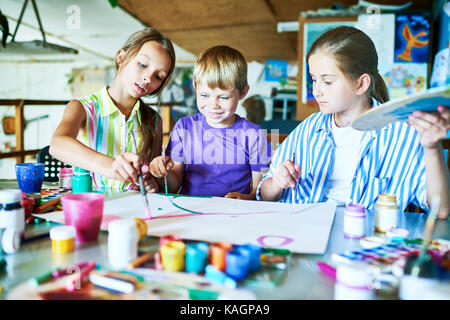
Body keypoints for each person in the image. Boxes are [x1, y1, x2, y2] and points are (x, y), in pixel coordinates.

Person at [257, 26, 449, 219]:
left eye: (328, 81)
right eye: (314, 79)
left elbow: (441, 210)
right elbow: (265, 195)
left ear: (361, 84)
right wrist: (276, 183)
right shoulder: (308, 128)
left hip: (363, 242)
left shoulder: (402, 134)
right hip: (303, 234)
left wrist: (432, 148)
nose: (316, 90)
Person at [50, 28, 176, 191]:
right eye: (143, 64)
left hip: (133, 211)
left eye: (158, 76)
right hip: (90, 207)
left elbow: (149, 174)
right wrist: (111, 167)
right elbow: (57, 145)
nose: (147, 78)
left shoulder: (154, 121)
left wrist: (151, 182)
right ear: (121, 57)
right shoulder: (82, 108)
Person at [149, 45, 271, 199]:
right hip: (191, 210)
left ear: (243, 92)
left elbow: (260, 193)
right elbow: (174, 186)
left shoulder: (254, 135)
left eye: (224, 97)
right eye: (205, 95)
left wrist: (243, 198)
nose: (214, 105)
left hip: (235, 214)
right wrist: (163, 173)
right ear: (195, 87)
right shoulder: (184, 127)